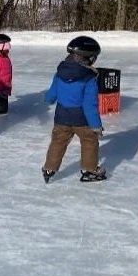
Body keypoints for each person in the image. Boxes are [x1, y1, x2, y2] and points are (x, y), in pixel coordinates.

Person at [41, 36, 106, 183]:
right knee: (89, 141)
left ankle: (49, 168)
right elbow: (90, 105)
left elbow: (52, 94)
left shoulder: (60, 73)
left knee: (58, 141)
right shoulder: (89, 78)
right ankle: (89, 170)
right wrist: (96, 126)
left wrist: (49, 99)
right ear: (88, 59)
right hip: (82, 120)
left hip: (61, 117)